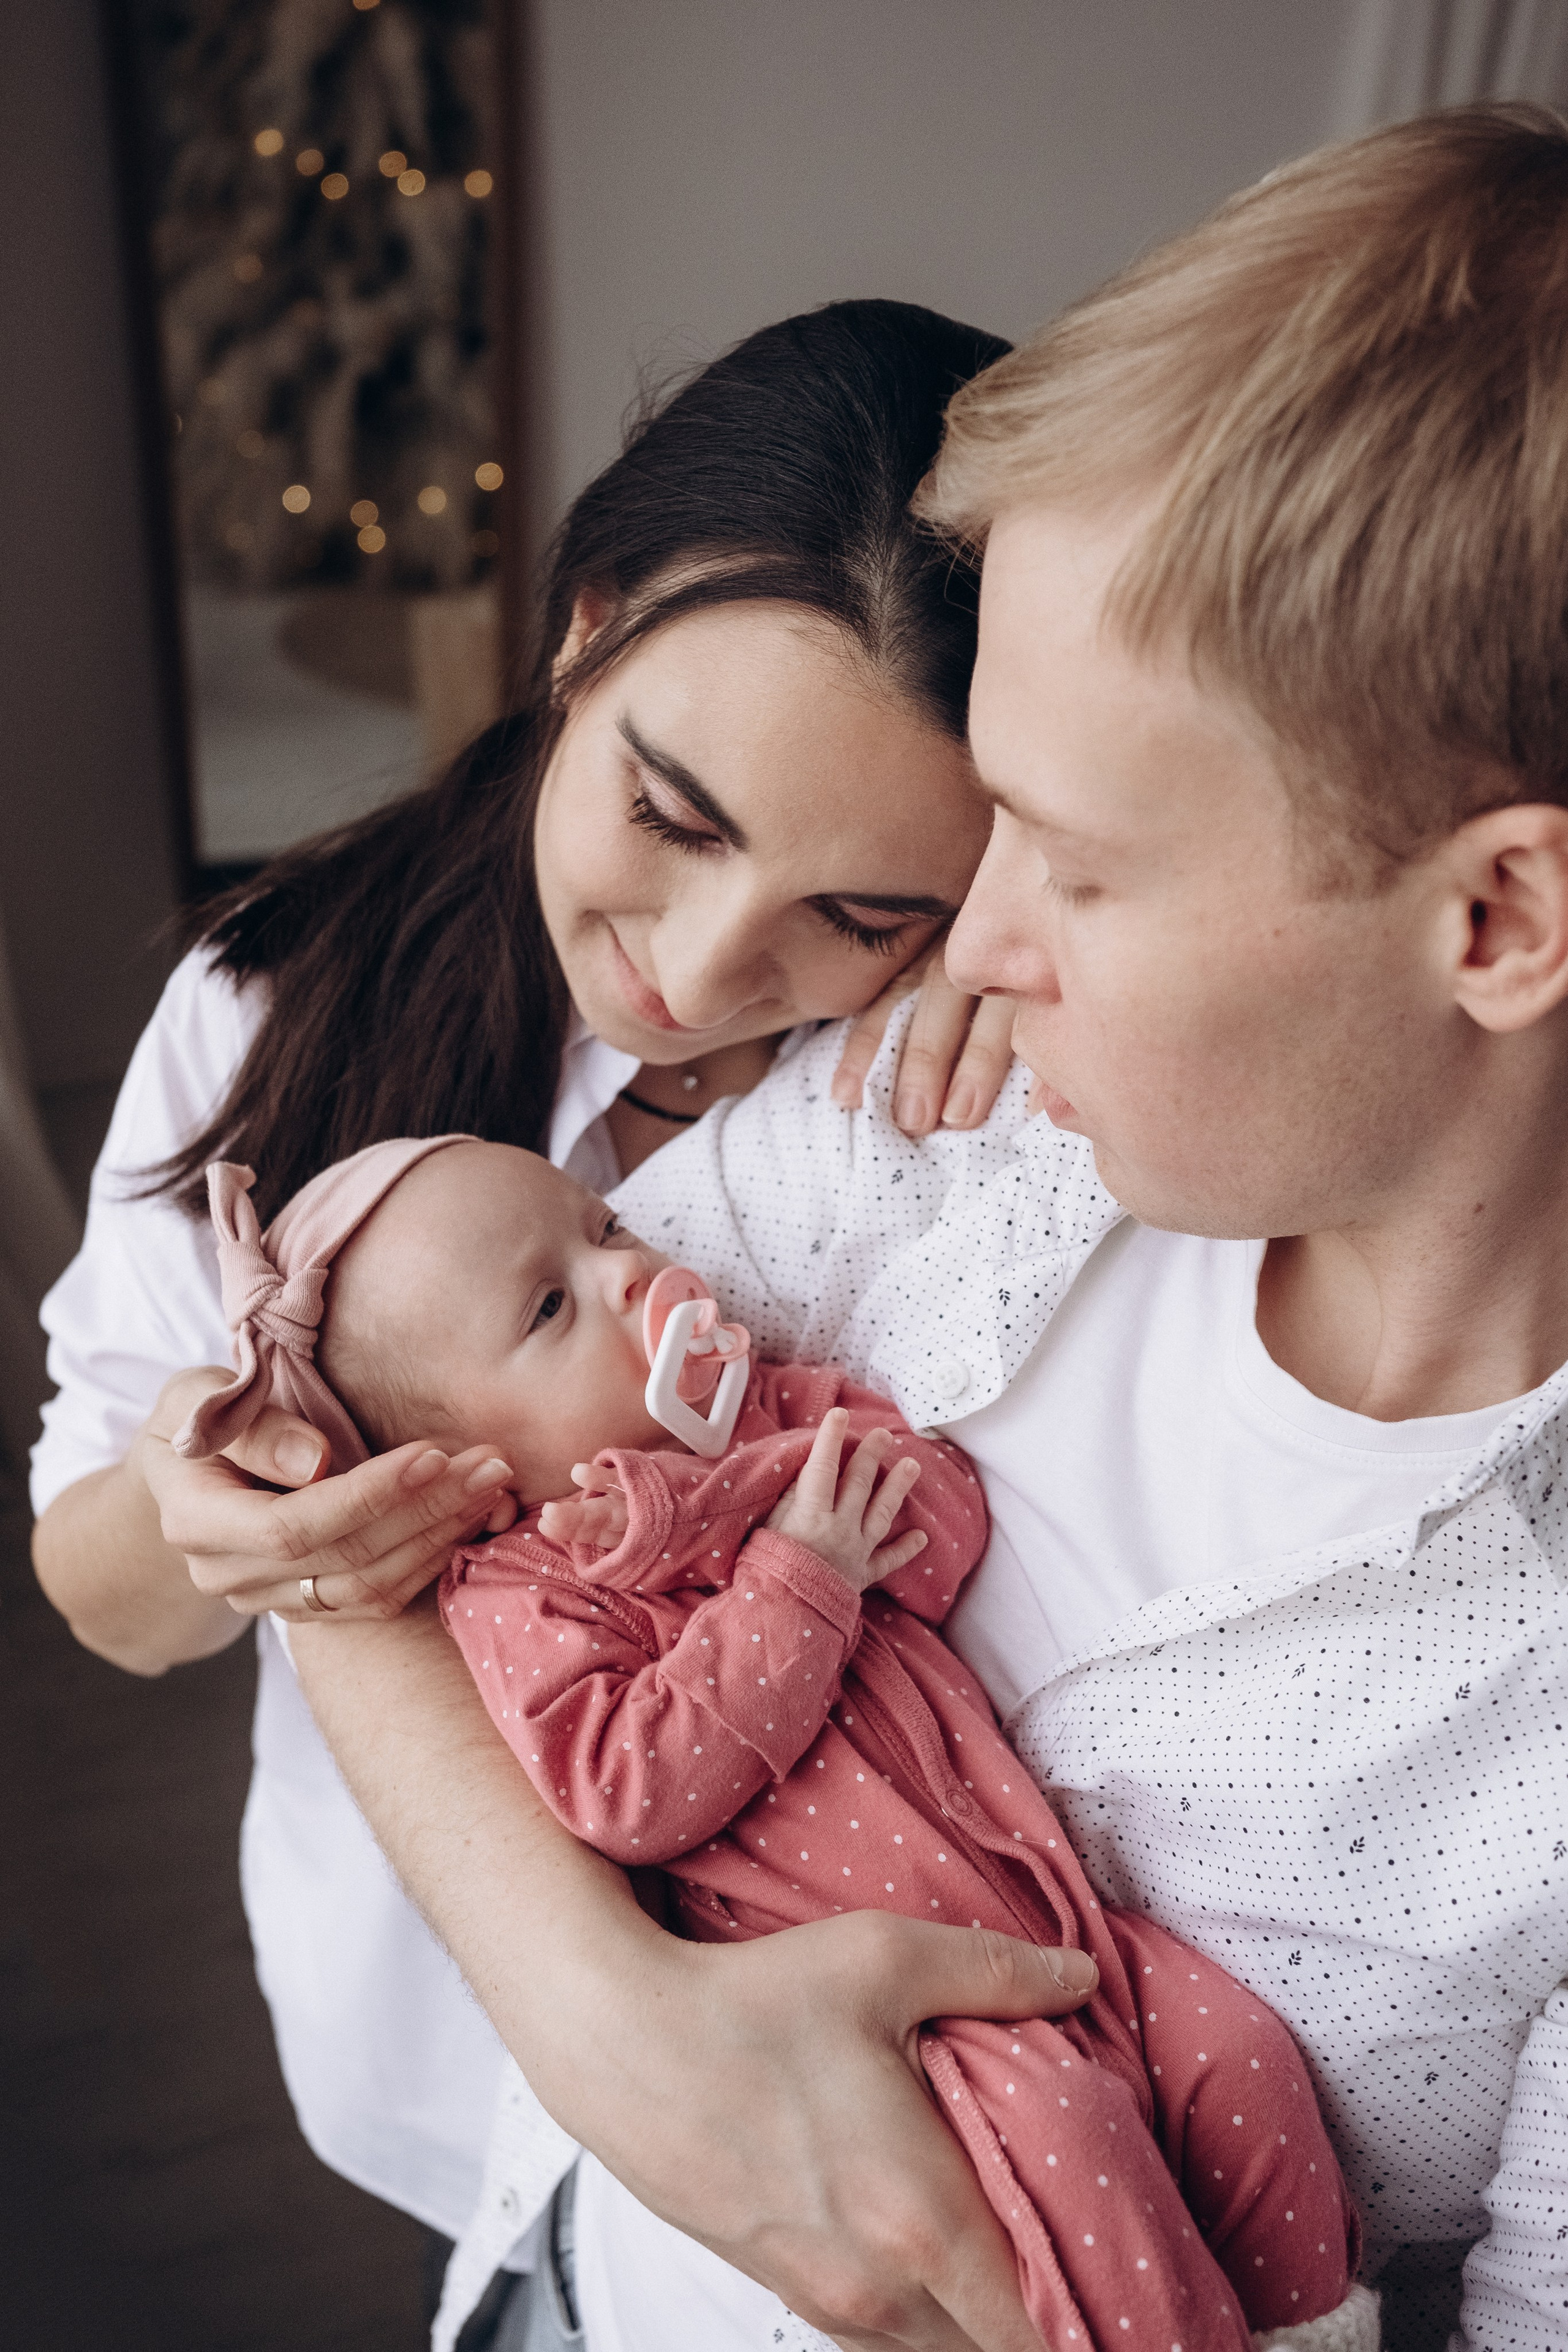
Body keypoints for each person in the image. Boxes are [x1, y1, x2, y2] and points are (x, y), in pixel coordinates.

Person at [119, 103, 1568, 2352]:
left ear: (1498, 918)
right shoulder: (944, 1134)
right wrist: (607, 2022)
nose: (965, 955)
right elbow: (433, 1470)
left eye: (1074, 864)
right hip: (552, 2264)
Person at [29, 300, 1024, 2313]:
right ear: (584, 629)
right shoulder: (268, 1011)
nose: (701, 970)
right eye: (674, 816)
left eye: (859, 913)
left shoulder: (953, 1092)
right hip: (430, 2022)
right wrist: (214, 1523)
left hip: (886, 2093)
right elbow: (103, 1602)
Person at [175, 1130, 1366, 2350]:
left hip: (1053, 1916)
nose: (624, 1273)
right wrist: (793, 1571)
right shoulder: (528, 1587)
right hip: (914, 2019)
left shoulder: (772, 1413)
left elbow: (942, 1531)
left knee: (1239, 2054)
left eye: (602, 1227)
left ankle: (1316, 2333)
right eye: (549, 1307)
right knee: (1076, 2147)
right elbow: (628, 1788)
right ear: (463, 1470)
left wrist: (740, 1489)